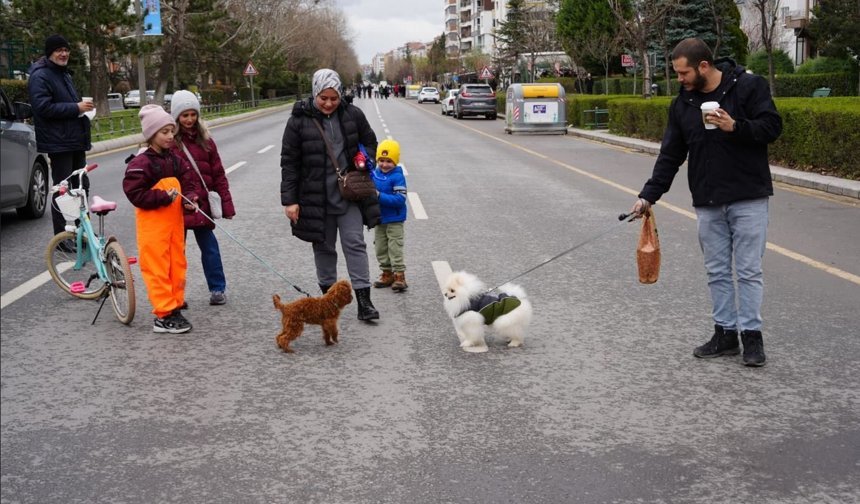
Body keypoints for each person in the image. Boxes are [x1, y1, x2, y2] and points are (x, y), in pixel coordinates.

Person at [629, 38, 782, 367]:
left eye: (683, 73)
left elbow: (772, 127)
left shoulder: (748, 87)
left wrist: (735, 126)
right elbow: (671, 155)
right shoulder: (682, 104)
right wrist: (648, 196)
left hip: (748, 196)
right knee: (717, 271)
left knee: (748, 271)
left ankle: (752, 337)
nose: (679, 79)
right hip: (708, 199)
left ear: (703, 66)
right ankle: (725, 334)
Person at [280, 68, 381, 321]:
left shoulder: (353, 114)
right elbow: (289, 163)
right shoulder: (298, 121)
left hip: (349, 194)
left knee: (355, 244)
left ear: (340, 95)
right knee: (324, 248)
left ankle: (364, 302)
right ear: (315, 93)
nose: (328, 103)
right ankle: (328, 302)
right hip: (315, 197)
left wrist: (363, 157)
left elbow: (371, 142)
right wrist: (290, 200)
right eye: (323, 98)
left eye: (334, 98)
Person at [123, 105, 203, 334]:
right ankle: (163, 314)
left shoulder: (174, 159)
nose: (170, 136)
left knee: (177, 264)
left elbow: (188, 181)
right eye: (164, 132)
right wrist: (162, 197)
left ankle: (175, 302)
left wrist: (190, 198)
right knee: (157, 268)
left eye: (171, 131)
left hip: (174, 225)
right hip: (153, 227)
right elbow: (135, 194)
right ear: (151, 135)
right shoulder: (141, 163)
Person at [170, 90, 236, 306]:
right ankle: (175, 295)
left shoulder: (207, 141)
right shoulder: (169, 143)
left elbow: (219, 175)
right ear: (176, 117)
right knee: (176, 253)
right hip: (178, 205)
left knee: (210, 248)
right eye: (184, 115)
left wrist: (227, 206)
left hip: (202, 205)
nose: (189, 119)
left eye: (193, 114)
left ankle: (217, 289)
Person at [27, 34, 95, 235]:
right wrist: (76, 108)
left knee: (81, 186)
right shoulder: (40, 76)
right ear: (50, 53)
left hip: (74, 140)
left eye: (66, 50)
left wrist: (83, 111)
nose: (63, 54)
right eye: (59, 50)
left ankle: (83, 232)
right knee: (63, 190)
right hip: (59, 143)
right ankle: (62, 236)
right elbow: (43, 108)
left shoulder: (64, 74)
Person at [371, 138, 408, 292]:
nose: (384, 164)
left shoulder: (398, 177)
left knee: (395, 247)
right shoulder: (374, 174)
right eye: (381, 160)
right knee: (380, 247)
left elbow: (400, 199)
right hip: (379, 219)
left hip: (395, 219)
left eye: (389, 161)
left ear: (395, 161)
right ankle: (387, 273)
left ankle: (399, 275)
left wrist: (379, 196)